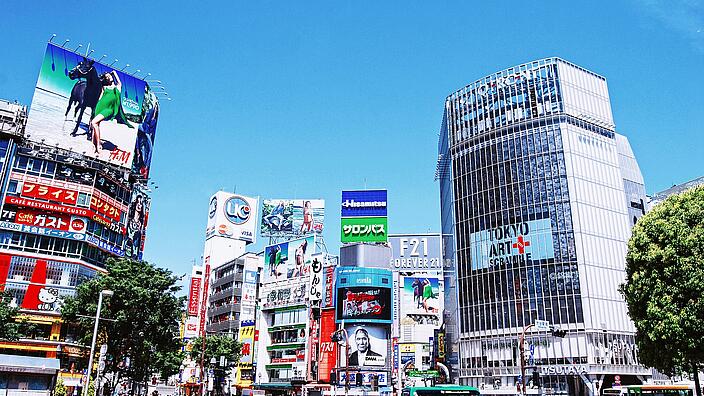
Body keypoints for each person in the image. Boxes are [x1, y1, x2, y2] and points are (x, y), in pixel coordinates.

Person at [90, 70, 133, 154]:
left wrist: (113, 73)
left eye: (109, 76)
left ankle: (98, 145)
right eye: (107, 77)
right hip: (100, 107)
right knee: (96, 125)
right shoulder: (105, 87)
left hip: (109, 109)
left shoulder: (117, 87)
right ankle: (93, 144)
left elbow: (119, 82)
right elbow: (100, 98)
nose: (108, 77)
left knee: (94, 122)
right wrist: (95, 108)